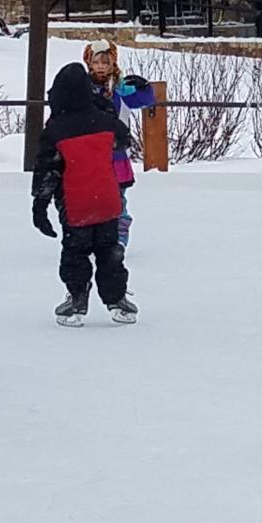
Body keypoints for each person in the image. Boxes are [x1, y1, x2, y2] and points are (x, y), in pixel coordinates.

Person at [32, 64, 137, 327]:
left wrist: (40, 207)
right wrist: (103, 110)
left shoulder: (55, 130)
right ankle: (117, 299)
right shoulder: (104, 122)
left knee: (75, 253)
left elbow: (48, 171)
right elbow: (124, 140)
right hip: (107, 199)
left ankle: (77, 299)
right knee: (109, 250)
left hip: (75, 203)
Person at [84, 39, 155, 250]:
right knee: (90, 197)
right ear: (89, 63)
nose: (101, 67)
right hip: (89, 154)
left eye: (106, 62)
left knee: (117, 198)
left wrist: (144, 88)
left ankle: (118, 237)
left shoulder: (120, 89)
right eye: (97, 62)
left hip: (115, 155)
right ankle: (93, 237)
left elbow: (144, 100)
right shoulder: (83, 88)